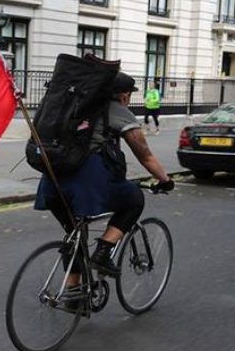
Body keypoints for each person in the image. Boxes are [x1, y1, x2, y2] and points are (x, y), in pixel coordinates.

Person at [34, 71, 174, 282]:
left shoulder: (74, 106)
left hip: (52, 182)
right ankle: (103, 251)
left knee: (75, 235)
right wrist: (166, 180)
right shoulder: (117, 110)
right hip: (86, 183)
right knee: (134, 199)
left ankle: (73, 293)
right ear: (124, 95)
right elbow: (145, 156)